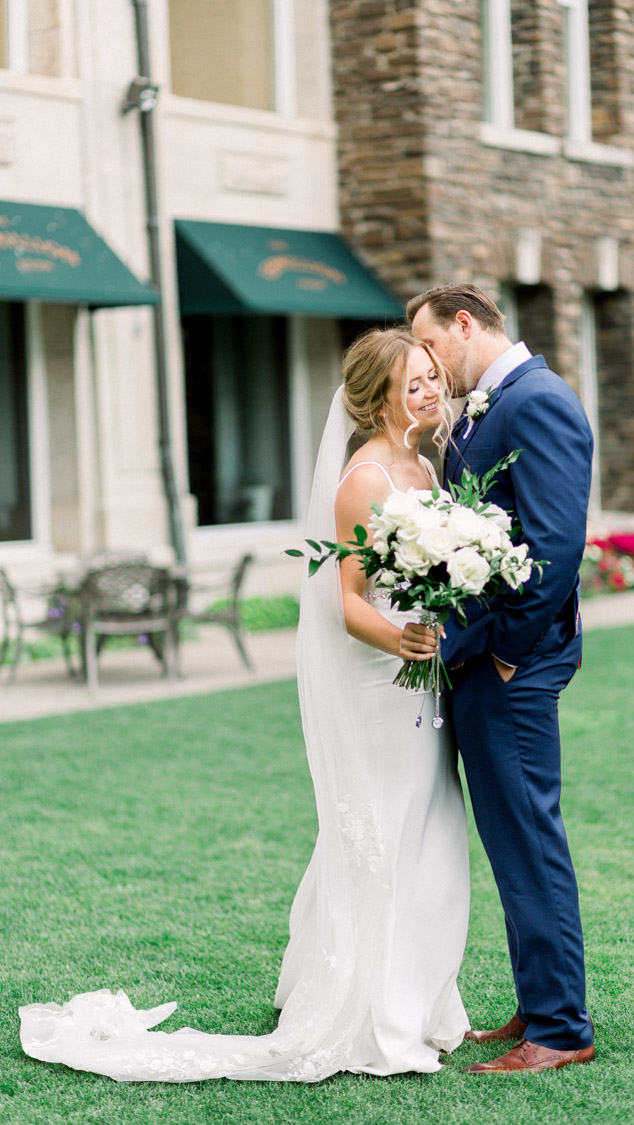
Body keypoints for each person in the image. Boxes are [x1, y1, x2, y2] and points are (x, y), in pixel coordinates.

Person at [18, 328, 470, 1083]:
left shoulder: (423, 466)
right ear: (377, 396)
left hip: (422, 692)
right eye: (414, 382)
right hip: (381, 684)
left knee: (428, 835)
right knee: (380, 837)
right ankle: (373, 1012)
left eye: (432, 377)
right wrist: (403, 640)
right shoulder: (363, 481)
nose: (431, 390)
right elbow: (345, 604)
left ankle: (419, 998)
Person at [408, 283, 596, 1073]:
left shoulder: (538, 400)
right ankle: (539, 1001)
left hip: (510, 662)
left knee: (528, 837)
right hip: (481, 655)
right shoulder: (490, 405)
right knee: (511, 838)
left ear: (464, 324)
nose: (425, 362)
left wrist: (510, 648)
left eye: (428, 345)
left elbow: (553, 548)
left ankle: (561, 1027)